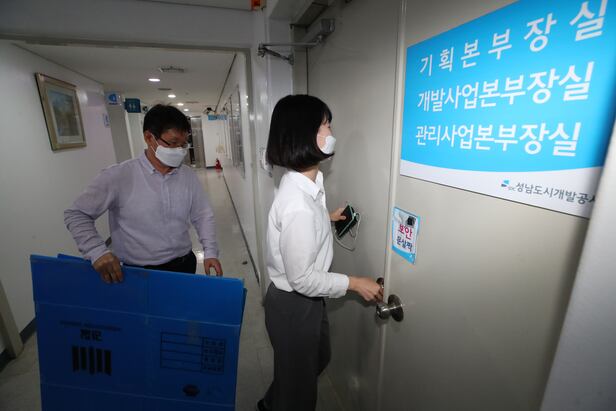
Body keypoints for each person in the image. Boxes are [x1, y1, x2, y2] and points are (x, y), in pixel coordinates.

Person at [257, 95, 383, 411]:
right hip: (294, 304)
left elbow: (299, 228)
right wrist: (355, 283)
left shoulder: (303, 185)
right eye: (325, 125)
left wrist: (325, 218)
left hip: (301, 303)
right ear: (304, 135)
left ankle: (272, 402)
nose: (330, 131)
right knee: (299, 392)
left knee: (313, 361)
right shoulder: (298, 205)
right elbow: (302, 278)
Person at [64, 104, 222, 283]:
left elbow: (202, 215)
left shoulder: (187, 175)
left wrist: (210, 251)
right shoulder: (119, 176)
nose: (179, 150)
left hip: (183, 265)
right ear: (149, 138)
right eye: (173, 143)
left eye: (183, 144)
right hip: (137, 273)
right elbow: (76, 214)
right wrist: (96, 251)